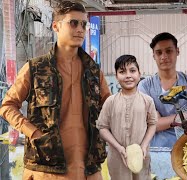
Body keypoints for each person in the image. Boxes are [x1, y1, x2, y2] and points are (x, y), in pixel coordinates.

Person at [0, 1, 111, 179]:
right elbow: (7, 106)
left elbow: (110, 108)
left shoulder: (94, 72)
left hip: (88, 169)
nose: (80, 29)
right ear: (56, 26)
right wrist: (32, 132)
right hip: (46, 168)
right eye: (73, 23)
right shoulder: (35, 68)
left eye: (84, 24)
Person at [138, 32, 187, 148]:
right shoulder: (145, 86)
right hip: (158, 149)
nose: (164, 56)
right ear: (153, 55)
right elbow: (149, 124)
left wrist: (162, 121)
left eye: (169, 51)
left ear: (177, 51)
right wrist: (180, 117)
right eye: (159, 52)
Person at [96, 55, 157, 180]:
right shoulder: (110, 102)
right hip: (117, 158)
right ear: (117, 76)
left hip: (141, 156)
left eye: (132, 71)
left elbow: (152, 124)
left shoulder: (147, 101)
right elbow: (102, 128)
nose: (128, 75)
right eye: (122, 72)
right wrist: (119, 148)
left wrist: (144, 145)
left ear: (139, 74)